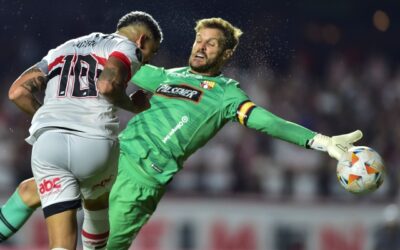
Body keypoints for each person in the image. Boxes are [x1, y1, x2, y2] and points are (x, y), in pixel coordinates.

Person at [1, 17, 362, 249]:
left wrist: (319, 141)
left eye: (211, 43)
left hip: (142, 178)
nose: (200, 47)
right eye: (198, 40)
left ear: (227, 52)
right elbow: (108, 69)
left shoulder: (227, 95)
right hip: (112, 153)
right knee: (28, 191)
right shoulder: (167, 75)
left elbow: (267, 121)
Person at [4, 11, 162, 250]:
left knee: (59, 241)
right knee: (96, 200)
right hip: (95, 143)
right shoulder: (127, 47)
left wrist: (50, 116)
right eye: (152, 53)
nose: (147, 62)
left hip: (49, 145)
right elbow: (107, 85)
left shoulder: (63, 49)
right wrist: (132, 105)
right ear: (142, 40)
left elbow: (17, 92)